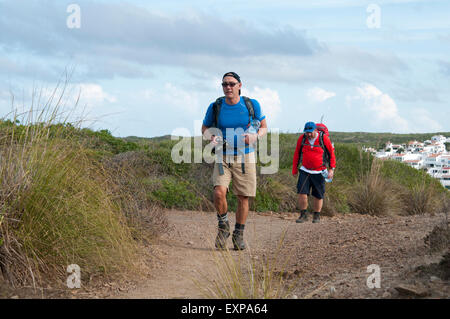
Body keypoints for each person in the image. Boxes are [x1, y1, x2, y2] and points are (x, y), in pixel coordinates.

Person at [201, 72, 267, 250]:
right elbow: (205, 127)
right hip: (223, 155)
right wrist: (211, 136)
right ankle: (223, 228)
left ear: (239, 85)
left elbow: (263, 127)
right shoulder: (216, 106)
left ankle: (239, 234)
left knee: (243, 197)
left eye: (231, 84)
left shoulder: (251, 105)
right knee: (219, 192)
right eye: (224, 84)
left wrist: (255, 137)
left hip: (246, 156)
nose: (228, 87)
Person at [292, 122, 336, 223]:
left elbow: (331, 155)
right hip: (305, 170)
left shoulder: (324, 139)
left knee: (318, 195)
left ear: (315, 130)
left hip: (319, 171)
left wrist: (331, 169)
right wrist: (294, 169)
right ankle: (303, 215)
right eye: (306, 132)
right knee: (302, 192)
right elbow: (297, 154)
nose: (308, 135)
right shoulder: (302, 139)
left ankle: (316, 216)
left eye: (310, 132)